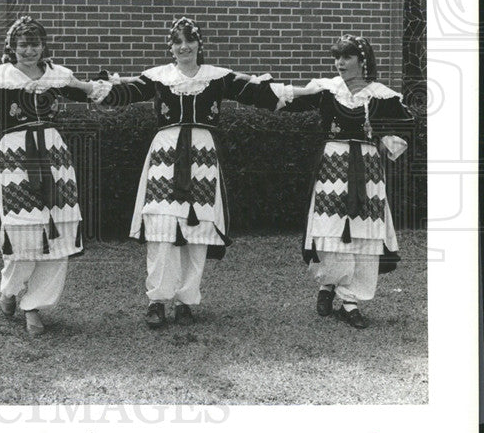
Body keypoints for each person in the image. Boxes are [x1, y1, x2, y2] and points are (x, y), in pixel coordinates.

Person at [99, 18, 278, 329]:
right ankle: (157, 300)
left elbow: (255, 93)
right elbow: (124, 94)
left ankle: (186, 301)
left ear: (199, 44)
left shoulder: (217, 77)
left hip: (202, 158)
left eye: (189, 40)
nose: (184, 47)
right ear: (170, 47)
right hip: (165, 156)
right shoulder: (158, 77)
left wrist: (288, 92)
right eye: (177, 42)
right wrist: (98, 87)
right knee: (162, 227)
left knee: (198, 231)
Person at [0, 16, 104, 336]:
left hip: (54, 156)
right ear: (11, 48)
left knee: (58, 230)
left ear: (43, 46)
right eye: (22, 45)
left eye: (35, 44)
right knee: (22, 229)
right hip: (14, 157)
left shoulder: (57, 76)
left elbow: (88, 91)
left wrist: (109, 85)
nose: (29, 51)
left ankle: (34, 306)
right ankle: (9, 290)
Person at [271, 34, 413, 329]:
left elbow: (407, 129)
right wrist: (256, 87)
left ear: (363, 60)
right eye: (337, 57)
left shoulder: (382, 96)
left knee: (363, 233)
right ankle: (328, 284)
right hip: (332, 168)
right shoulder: (327, 90)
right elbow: (289, 99)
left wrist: (384, 137)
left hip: (368, 171)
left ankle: (349, 301)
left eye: (346, 57)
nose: (339, 63)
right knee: (331, 230)